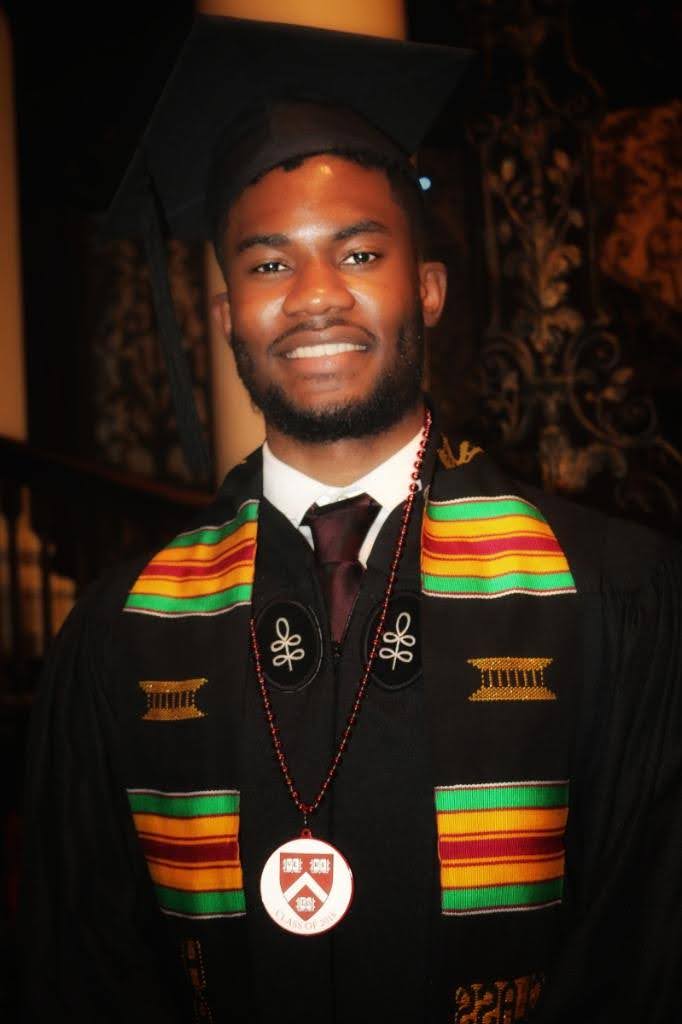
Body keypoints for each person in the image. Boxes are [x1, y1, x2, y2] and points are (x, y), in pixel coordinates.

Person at [20, 15, 681, 1024]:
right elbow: (88, 965)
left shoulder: (604, 594)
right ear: (225, 313)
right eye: (270, 265)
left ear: (426, 290)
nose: (315, 298)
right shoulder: (122, 630)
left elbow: (647, 951)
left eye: (359, 253)